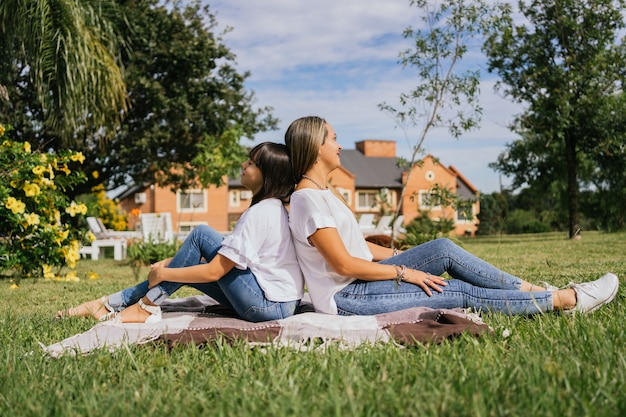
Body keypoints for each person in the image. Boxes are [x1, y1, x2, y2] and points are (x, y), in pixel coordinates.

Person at [284, 116, 619, 316]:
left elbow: (358, 247)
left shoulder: (325, 193)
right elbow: (343, 265)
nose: (339, 145)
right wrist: (406, 273)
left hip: (361, 280)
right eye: (334, 138)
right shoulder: (306, 201)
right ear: (315, 147)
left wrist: (406, 259)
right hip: (347, 297)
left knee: (442, 247)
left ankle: (534, 290)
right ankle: (567, 300)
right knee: (456, 292)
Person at [57, 142, 304, 323]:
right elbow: (227, 255)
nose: (243, 164)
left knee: (202, 235)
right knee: (188, 262)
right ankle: (108, 303)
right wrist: (172, 264)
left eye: (251, 162)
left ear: (268, 174)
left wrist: (164, 271)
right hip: (276, 304)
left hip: (267, 307)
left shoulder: (261, 212)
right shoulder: (272, 209)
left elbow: (215, 270)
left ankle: (144, 306)